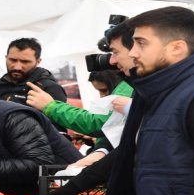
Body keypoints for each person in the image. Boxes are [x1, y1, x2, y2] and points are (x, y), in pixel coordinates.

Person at [45, 7, 194, 195]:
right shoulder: (157, 92)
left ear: (176, 48)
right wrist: (76, 185)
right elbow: (135, 150)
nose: (132, 52)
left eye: (141, 43)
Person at [27, 21, 136, 167]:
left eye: (115, 52)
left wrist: (51, 107)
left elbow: (101, 123)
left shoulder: (127, 86)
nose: (112, 60)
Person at [0, 38, 68, 131]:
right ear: (6, 57)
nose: (17, 67)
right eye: (13, 60)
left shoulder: (50, 89)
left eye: (25, 62)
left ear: (38, 61)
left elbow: (58, 133)